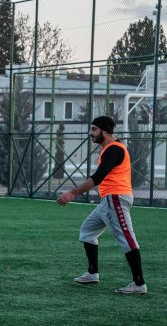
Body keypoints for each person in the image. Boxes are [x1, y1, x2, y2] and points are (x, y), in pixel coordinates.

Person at [57, 115, 147, 295]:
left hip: (116, 199)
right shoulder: (109, 148)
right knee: (87, 231)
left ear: (105, 131)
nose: (90, 133)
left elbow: (98, 177)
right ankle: (92, 273)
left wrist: (72, 193)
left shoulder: (114, 149)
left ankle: (139, 284)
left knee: (127, 239)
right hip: (108, 200)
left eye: (94, 129)